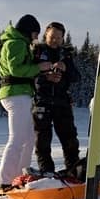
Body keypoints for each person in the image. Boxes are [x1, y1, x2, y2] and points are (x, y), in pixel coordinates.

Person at [0, 14, 54, 195]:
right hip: (16, 94)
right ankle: (4, 182)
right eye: (35, 34)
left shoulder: (18, 43)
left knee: (28, 139)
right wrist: (40, 68)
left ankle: (20, 176)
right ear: (28, 31)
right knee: (17, 139)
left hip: (20, 94)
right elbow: (16, 69)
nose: (36, 38)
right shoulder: (16, 43)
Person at [31, 22, 81, 179]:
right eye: (52, 37)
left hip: (62, 103)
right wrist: (46, 77)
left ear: (62, 38)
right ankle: (47, 171)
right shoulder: (37, 52)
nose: (55, 40)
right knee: (42, 141)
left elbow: (76, 77)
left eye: (58, 37)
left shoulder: (65, 55)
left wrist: (66, 68)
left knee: (70, 139)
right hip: (41, 102)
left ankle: (74, 170)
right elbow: (28, 75)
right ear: (46, 35)